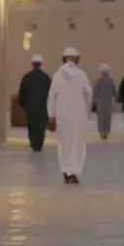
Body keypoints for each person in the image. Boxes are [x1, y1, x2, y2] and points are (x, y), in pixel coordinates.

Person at [47, 47, 93, 184]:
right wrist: (87, 109)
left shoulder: (57, 75)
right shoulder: (81, 75)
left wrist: (51, 114)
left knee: (64, 142)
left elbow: (52, 96)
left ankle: (65, 169)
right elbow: (89, 93)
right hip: (79, 114)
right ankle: (74, 171)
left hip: (62, 114)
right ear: (77, 59)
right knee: (77, 142)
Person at [17, 55, 51, 152]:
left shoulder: (27, 77)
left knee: (31, 125)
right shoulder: (45, 78)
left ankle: (33, 143)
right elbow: (50, 94)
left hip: (30, 107)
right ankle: (39, 144)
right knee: (41, 126)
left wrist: (23, 104)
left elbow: (22, 93)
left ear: (32, 64)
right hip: (42, 107)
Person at [93, 64, 117, 140]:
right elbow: (114, 92)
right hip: (108, 103)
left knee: (101, 118)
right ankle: (106, 131)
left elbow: (95, 92)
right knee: (108, 118)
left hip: (100, 103)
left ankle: (102, 132)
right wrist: (117, 98)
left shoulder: (98, 81)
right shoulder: (111, 81)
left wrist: (93, 102)